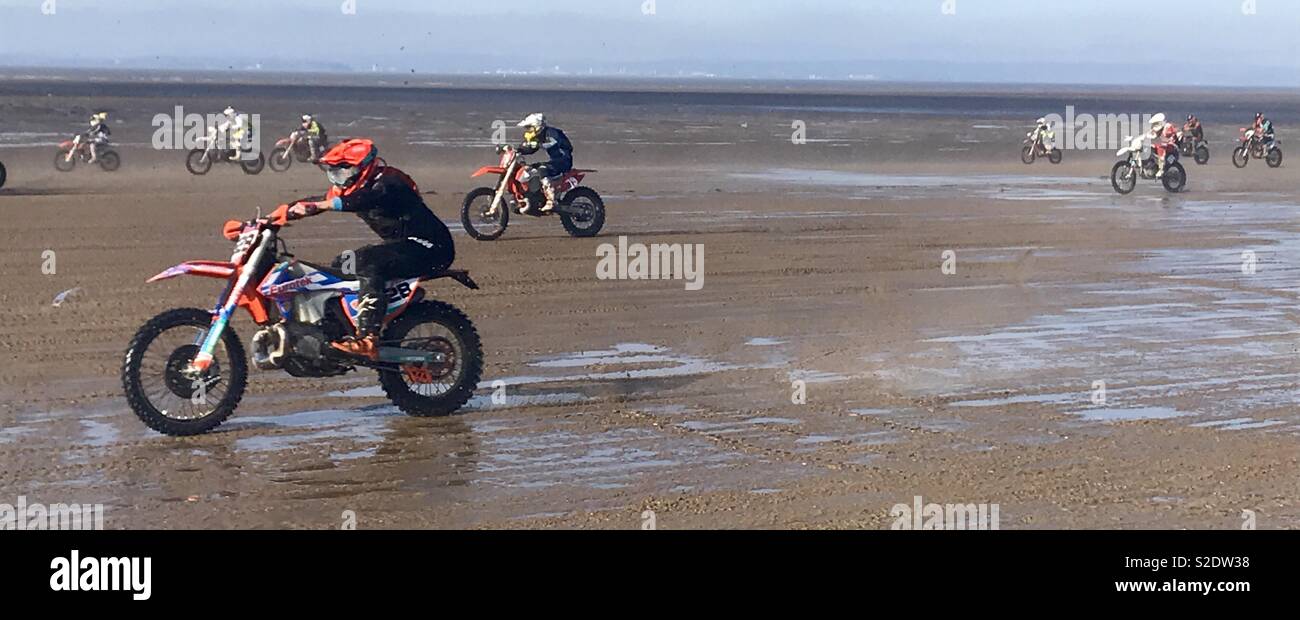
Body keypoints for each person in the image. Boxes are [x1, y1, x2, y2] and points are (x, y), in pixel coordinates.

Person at [282, 139, 455, 360]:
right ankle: (339, 331)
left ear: (363, 168)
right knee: (342, 264)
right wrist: (270, 219)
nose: (339, 180)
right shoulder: (351, 189)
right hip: (402, 247)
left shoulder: (389, 182)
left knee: (366, 261)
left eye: (344, 172)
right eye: (334, 173)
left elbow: (364, 199)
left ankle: (368, 338)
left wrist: (324, 205)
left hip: (431, 247)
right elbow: (311, 202)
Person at [515, 113, 573, 214]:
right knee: (531, 169)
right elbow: (531, 149)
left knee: (542, 169)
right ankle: (535, 196)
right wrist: (519, 150)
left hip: (564, 160)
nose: (527, 131)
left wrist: (538, 144)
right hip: (554, 161)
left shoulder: (552, 132)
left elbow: (553, 143)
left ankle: (551, 200)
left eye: (529, 128)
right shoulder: (539, 135)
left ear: (537, 126)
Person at [1147, 113, 1177, 178]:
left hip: (1172, 149)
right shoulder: (1158, 129)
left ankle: (1161, 169)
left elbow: (1173, 136)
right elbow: (1150, 134)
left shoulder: (1167, 127)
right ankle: (1153, 166)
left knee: (1161, 147)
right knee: (1152, 147)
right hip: (1167, 147)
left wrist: (1168, 139)